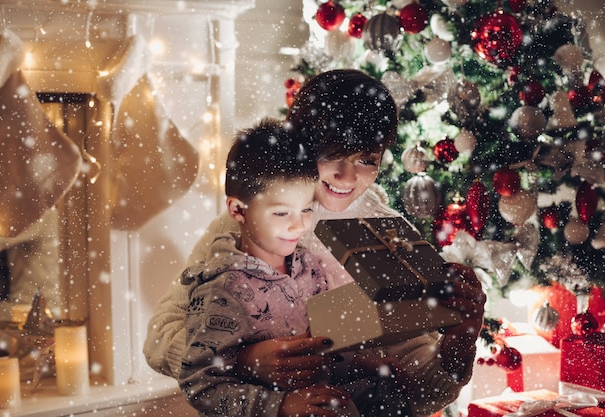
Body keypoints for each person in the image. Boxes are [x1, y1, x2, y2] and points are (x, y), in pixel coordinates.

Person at [144, 69, 486, 417]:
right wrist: (243, 361)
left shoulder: (388, 231)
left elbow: (417, 394)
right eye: (332, 154)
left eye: (366, 159)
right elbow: (161, 337)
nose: (347, 176)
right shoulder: (254, 225)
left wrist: (459, 341)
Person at [180, 118, 357, 417]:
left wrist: (367, 365)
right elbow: (199, 384)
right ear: (238, 210)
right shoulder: (224, 290)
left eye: (305, 209)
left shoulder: (312, 268)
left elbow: (325, 351)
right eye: (281, 212)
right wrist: (281, 405)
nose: (299, 223)